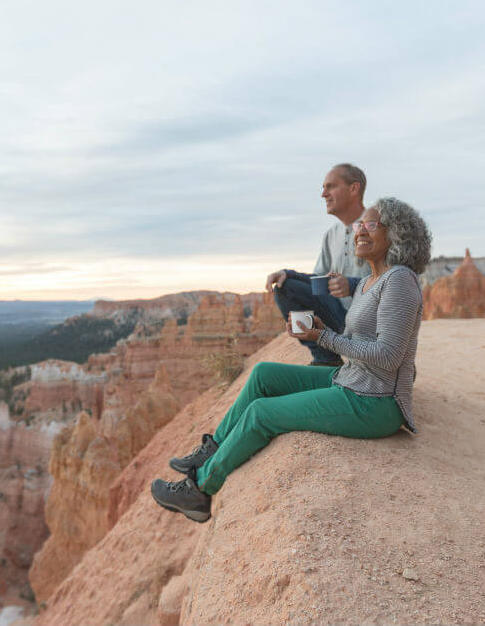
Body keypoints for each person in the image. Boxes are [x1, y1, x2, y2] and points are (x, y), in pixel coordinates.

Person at [151, 197, 431, 523]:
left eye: (371, 224)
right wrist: (318, 322)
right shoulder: (371, 280)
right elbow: (345, 314)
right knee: (264, 374)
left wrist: (323, 338)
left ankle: (199, 490)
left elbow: (389, 355)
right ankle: (213, 449)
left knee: (261, 413)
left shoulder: (399, 280)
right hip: (352, 379)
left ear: (396, 234)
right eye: (359, 225)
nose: (360, 231)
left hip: (376, 402)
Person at [266, 163, 371, 367]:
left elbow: (395, 283)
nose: (323, 194)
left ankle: (369, 360)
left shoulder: (378, 229)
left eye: (331, 187)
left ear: (353, 188)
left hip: (369, 324)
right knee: (285, 288)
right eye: (323, 188)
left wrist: (351, 284)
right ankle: (326, 360)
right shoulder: (331, 235)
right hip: (338, 316)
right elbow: (318, 282)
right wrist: (288, 274)